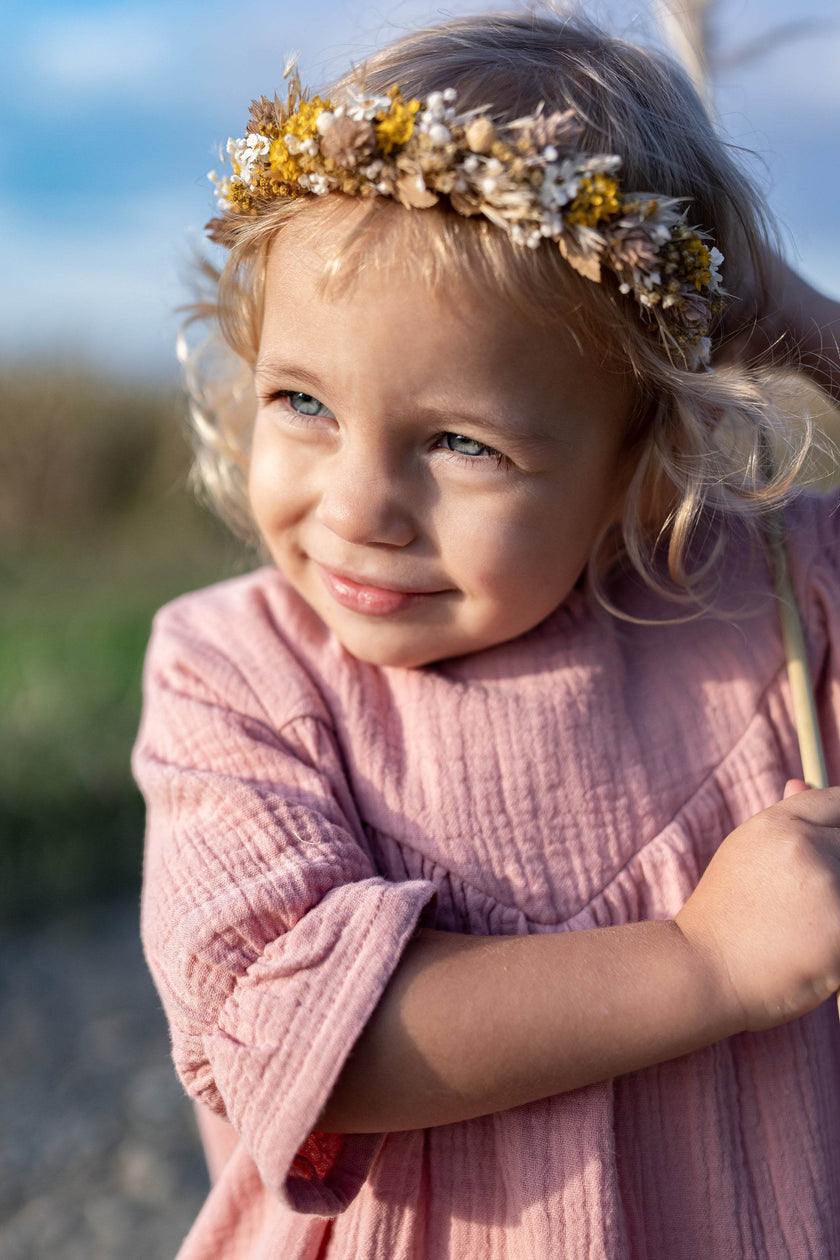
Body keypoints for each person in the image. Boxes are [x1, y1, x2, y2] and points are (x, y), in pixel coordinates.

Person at [132, 8, 840, 1258]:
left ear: (647, 458)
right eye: (302, 401)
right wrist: (707, 965)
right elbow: (297, 1037)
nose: (357, 507)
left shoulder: (779, 604)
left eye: (462, 442)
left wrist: (785, 321)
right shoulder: (234, 667)